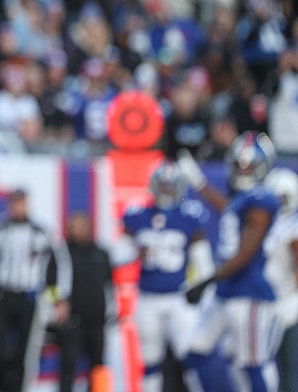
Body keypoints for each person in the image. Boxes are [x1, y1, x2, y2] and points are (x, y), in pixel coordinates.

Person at [177, 132, 282, 392]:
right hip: (226, 291)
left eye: (249, 165)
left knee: (251, 365)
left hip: (249, 294)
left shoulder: (262, 200)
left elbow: (245, 253)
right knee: (196, 352)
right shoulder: (242, 199)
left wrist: (207, 281)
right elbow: (228, 208)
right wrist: (199, 183)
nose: (243, 170)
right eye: (239, 164)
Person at [118, 161, 212, 392]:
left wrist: (203, 295)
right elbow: (117, 253)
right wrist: (134, 250)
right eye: (163, 185)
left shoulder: (190, 216)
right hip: (148, 297)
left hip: (178, 297)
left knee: (190, 357)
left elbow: (204, 263)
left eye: (172, 185)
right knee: (149, 361)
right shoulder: (138, 214)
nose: (167, 190)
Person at [0, 188, 72, 392]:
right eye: (14, 203)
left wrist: (58, 298)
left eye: (21, 203)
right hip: (2, 294)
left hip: (30, 297)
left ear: (28, 204)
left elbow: (56, 267)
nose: (18, 208)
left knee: (27, 350)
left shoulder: (42, 229)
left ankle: (20, 388)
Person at [53, 212, 114, 392]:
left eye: (79, 226)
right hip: (73, 319)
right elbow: (51, 283)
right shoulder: (63, 255)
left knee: (97, 364)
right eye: (72, 226)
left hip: (96, 318)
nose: (75, 230)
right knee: (69, 363)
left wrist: (111, 310)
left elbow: (109, 284)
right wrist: (57, 302)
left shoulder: (101, 253)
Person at [262, 167, 298, 391]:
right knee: (259, 366)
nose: (279, 202)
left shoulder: (293, 225)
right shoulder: (260, 220)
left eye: (283, 197)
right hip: (261, 301)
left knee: (287, 369)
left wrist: (294, 299)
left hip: (286, 302)